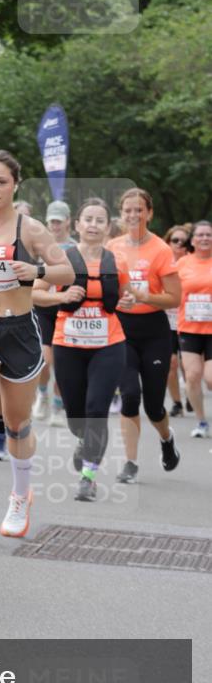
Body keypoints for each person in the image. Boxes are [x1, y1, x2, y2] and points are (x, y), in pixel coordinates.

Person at [0, 150, 74, 538]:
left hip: (20, 330)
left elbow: (67, 271)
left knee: (19, 424)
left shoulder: (32, 228)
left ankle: (20, 497)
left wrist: (36, 269)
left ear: (15, 184)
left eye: (1, 182)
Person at [35, 198, 128, 501]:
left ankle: (88, 477)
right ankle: (83, 440)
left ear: (108, 227)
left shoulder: (118, 261)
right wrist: (61, 298)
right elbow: (35, 295)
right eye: (88, 219)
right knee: (77, 417)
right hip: (68, 344)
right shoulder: (62, 261)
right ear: (77, 225)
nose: (93, 225)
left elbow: (128, 297)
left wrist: (129, 302)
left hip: (109, 344)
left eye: (100, 220)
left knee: (96, 410)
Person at [108, 188, 181, 484]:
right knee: (129, 396)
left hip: (154, 332)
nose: (133, 215)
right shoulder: (111, 247)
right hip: (120, 330)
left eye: (139, 210)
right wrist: (114, 300)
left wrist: (143, 295)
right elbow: (105, 288)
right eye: (128, 210)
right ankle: (130, 462)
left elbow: (174, 298)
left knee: (153, 404)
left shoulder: (161, 249)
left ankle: (166, 439)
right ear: (121, 213)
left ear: (149, 213)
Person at [33, 200, 77, 426]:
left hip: (66, 307)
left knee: (61, 362)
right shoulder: (40, 245)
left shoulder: (75, 247)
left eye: (59, 221)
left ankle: (58, 405)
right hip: (42, 306)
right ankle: (42, 394)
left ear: (68, 221)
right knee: (44, 359)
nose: (56, 226)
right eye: (52, 221)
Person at [176, 220, 212, 438]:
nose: (205, 238)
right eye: (200, 235)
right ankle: (201, 421)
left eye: (209, 235)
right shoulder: (182, 264)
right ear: (193, 239)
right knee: (192, 376)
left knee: (210, 377)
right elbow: (170, 290)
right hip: (189, 327)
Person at [163, 225, 192, 416]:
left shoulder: (194, 263)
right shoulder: (161, 263)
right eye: (175, 241)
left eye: (183, 242)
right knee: (171, 363)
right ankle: (177, 403)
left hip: (191, 321)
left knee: (188, 365)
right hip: (167, 322)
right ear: (168, 242)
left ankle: (192, 392)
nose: (179, 245)